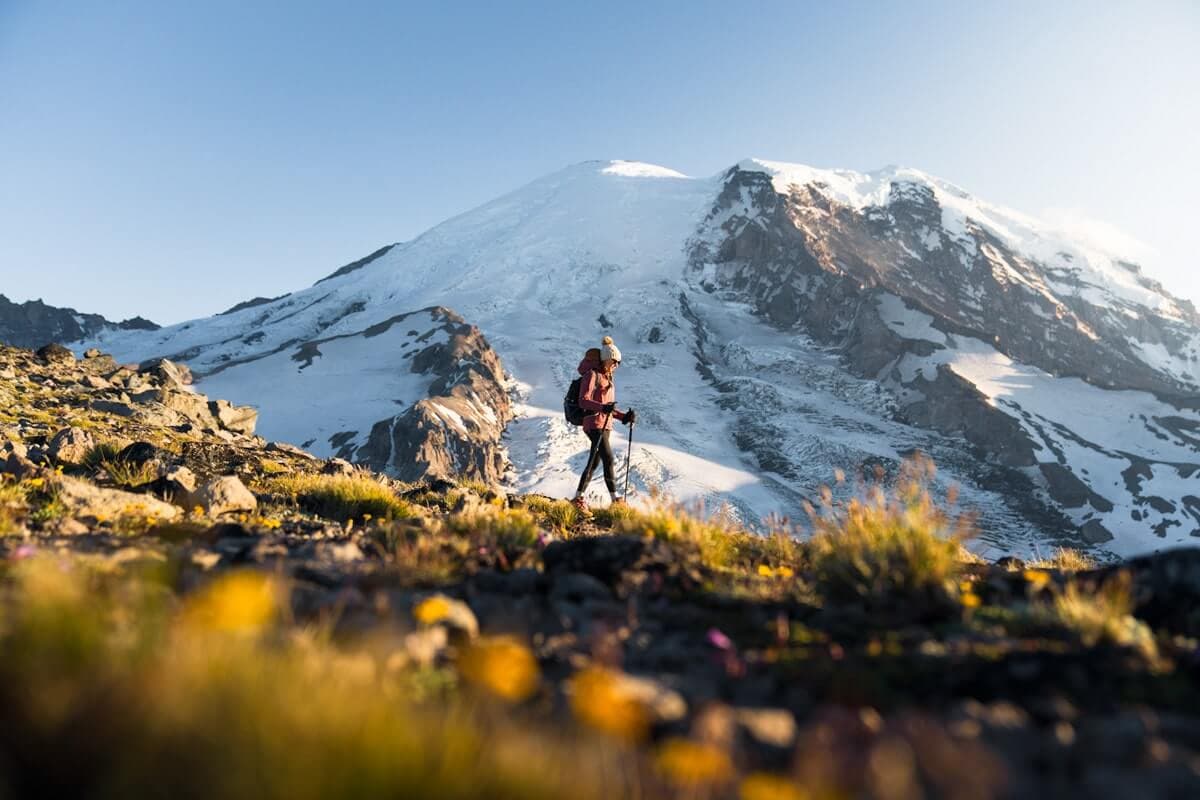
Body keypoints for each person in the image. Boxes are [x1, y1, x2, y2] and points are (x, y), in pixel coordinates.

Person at [572, 336, 636, 512]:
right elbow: (583, 401)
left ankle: (578, 497)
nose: (616, 366)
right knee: (608, 458)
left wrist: (624, 417)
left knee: (594, 462)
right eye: (614, 362)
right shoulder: (592, 375)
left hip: (604, 425)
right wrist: (603, 407)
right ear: (606, 359)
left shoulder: (607, 379)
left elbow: (608, 408)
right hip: (593, 422)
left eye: (618, 363)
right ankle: (615, 500)